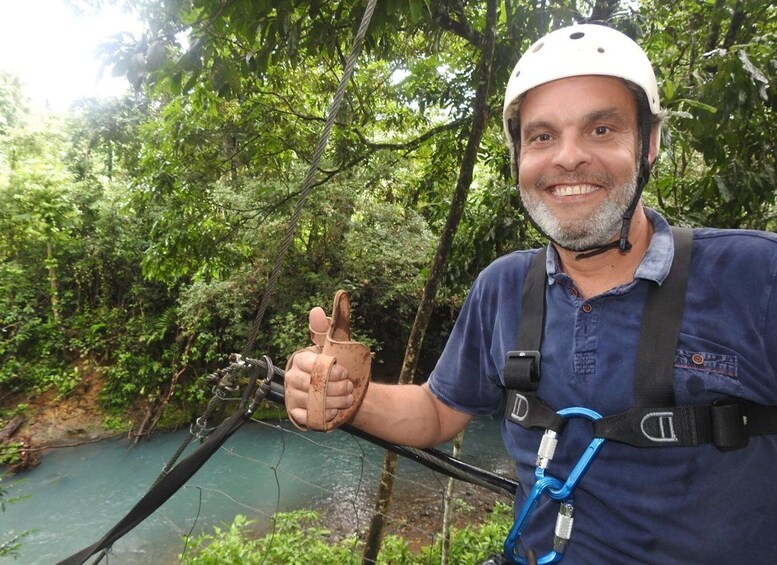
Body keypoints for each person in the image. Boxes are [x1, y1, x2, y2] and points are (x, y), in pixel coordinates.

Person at [284, 23, 777, 563]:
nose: (567, 158)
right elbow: (436, 411)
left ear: (649, 142)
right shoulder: (504, 287)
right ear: (520, 156)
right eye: (542, 137)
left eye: (601, 129)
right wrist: (350, 398)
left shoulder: (754, 275)